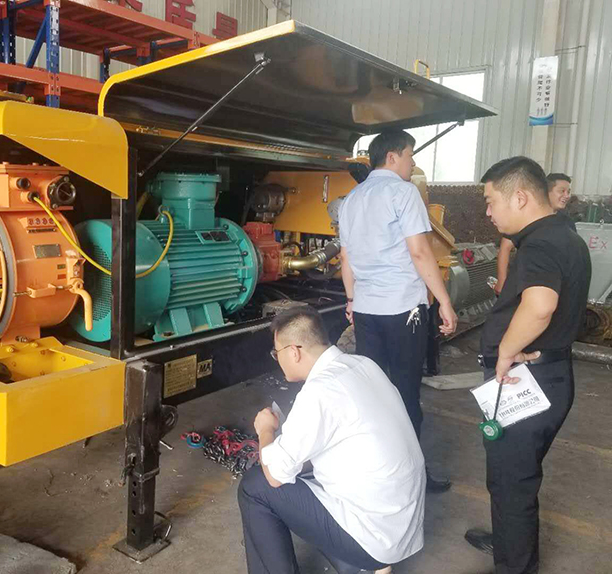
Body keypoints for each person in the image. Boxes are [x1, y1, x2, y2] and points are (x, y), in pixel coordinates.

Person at [464, 157, 591, 574]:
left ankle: (515, 564)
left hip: (527, 378)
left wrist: (504, 352)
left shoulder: (539, 245)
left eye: (491, 201)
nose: (488, 212)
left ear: (519, 197)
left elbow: (540, 306)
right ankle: (509, 541)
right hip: (550, 372)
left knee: (512, 482)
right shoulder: (564, 234)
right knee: (513, 477)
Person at [238, 305, 425, 574]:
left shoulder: (320, 391)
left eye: (276, 353)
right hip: (402, 524)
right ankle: (358, 568)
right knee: (303, 473)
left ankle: (362, 562)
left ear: (294, 352)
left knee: (256, 486)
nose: (277, 360)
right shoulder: (363, 365)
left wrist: (265, 430)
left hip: (375, 537)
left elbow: (275, 476)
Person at [337, 130, 458, 493]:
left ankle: (377, 473)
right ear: (392, 157)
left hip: (367, 310)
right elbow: (419, 252)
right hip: (403, 308)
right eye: (409, 155)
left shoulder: (351, 200)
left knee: (374, 391)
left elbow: (346, 258)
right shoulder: (403, 193)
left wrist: (351, 300)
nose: (412, 163)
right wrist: (444, 300)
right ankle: (411, 477)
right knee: (406, 393)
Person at [494, 173, 575, 294]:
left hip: (555, 284)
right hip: (526, 282)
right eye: (562, 191)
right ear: (545, 192)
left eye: (568, 192)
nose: (567, 196)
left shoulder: (567, 223)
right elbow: (505, 248)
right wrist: (502, 282)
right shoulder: (528, 217)